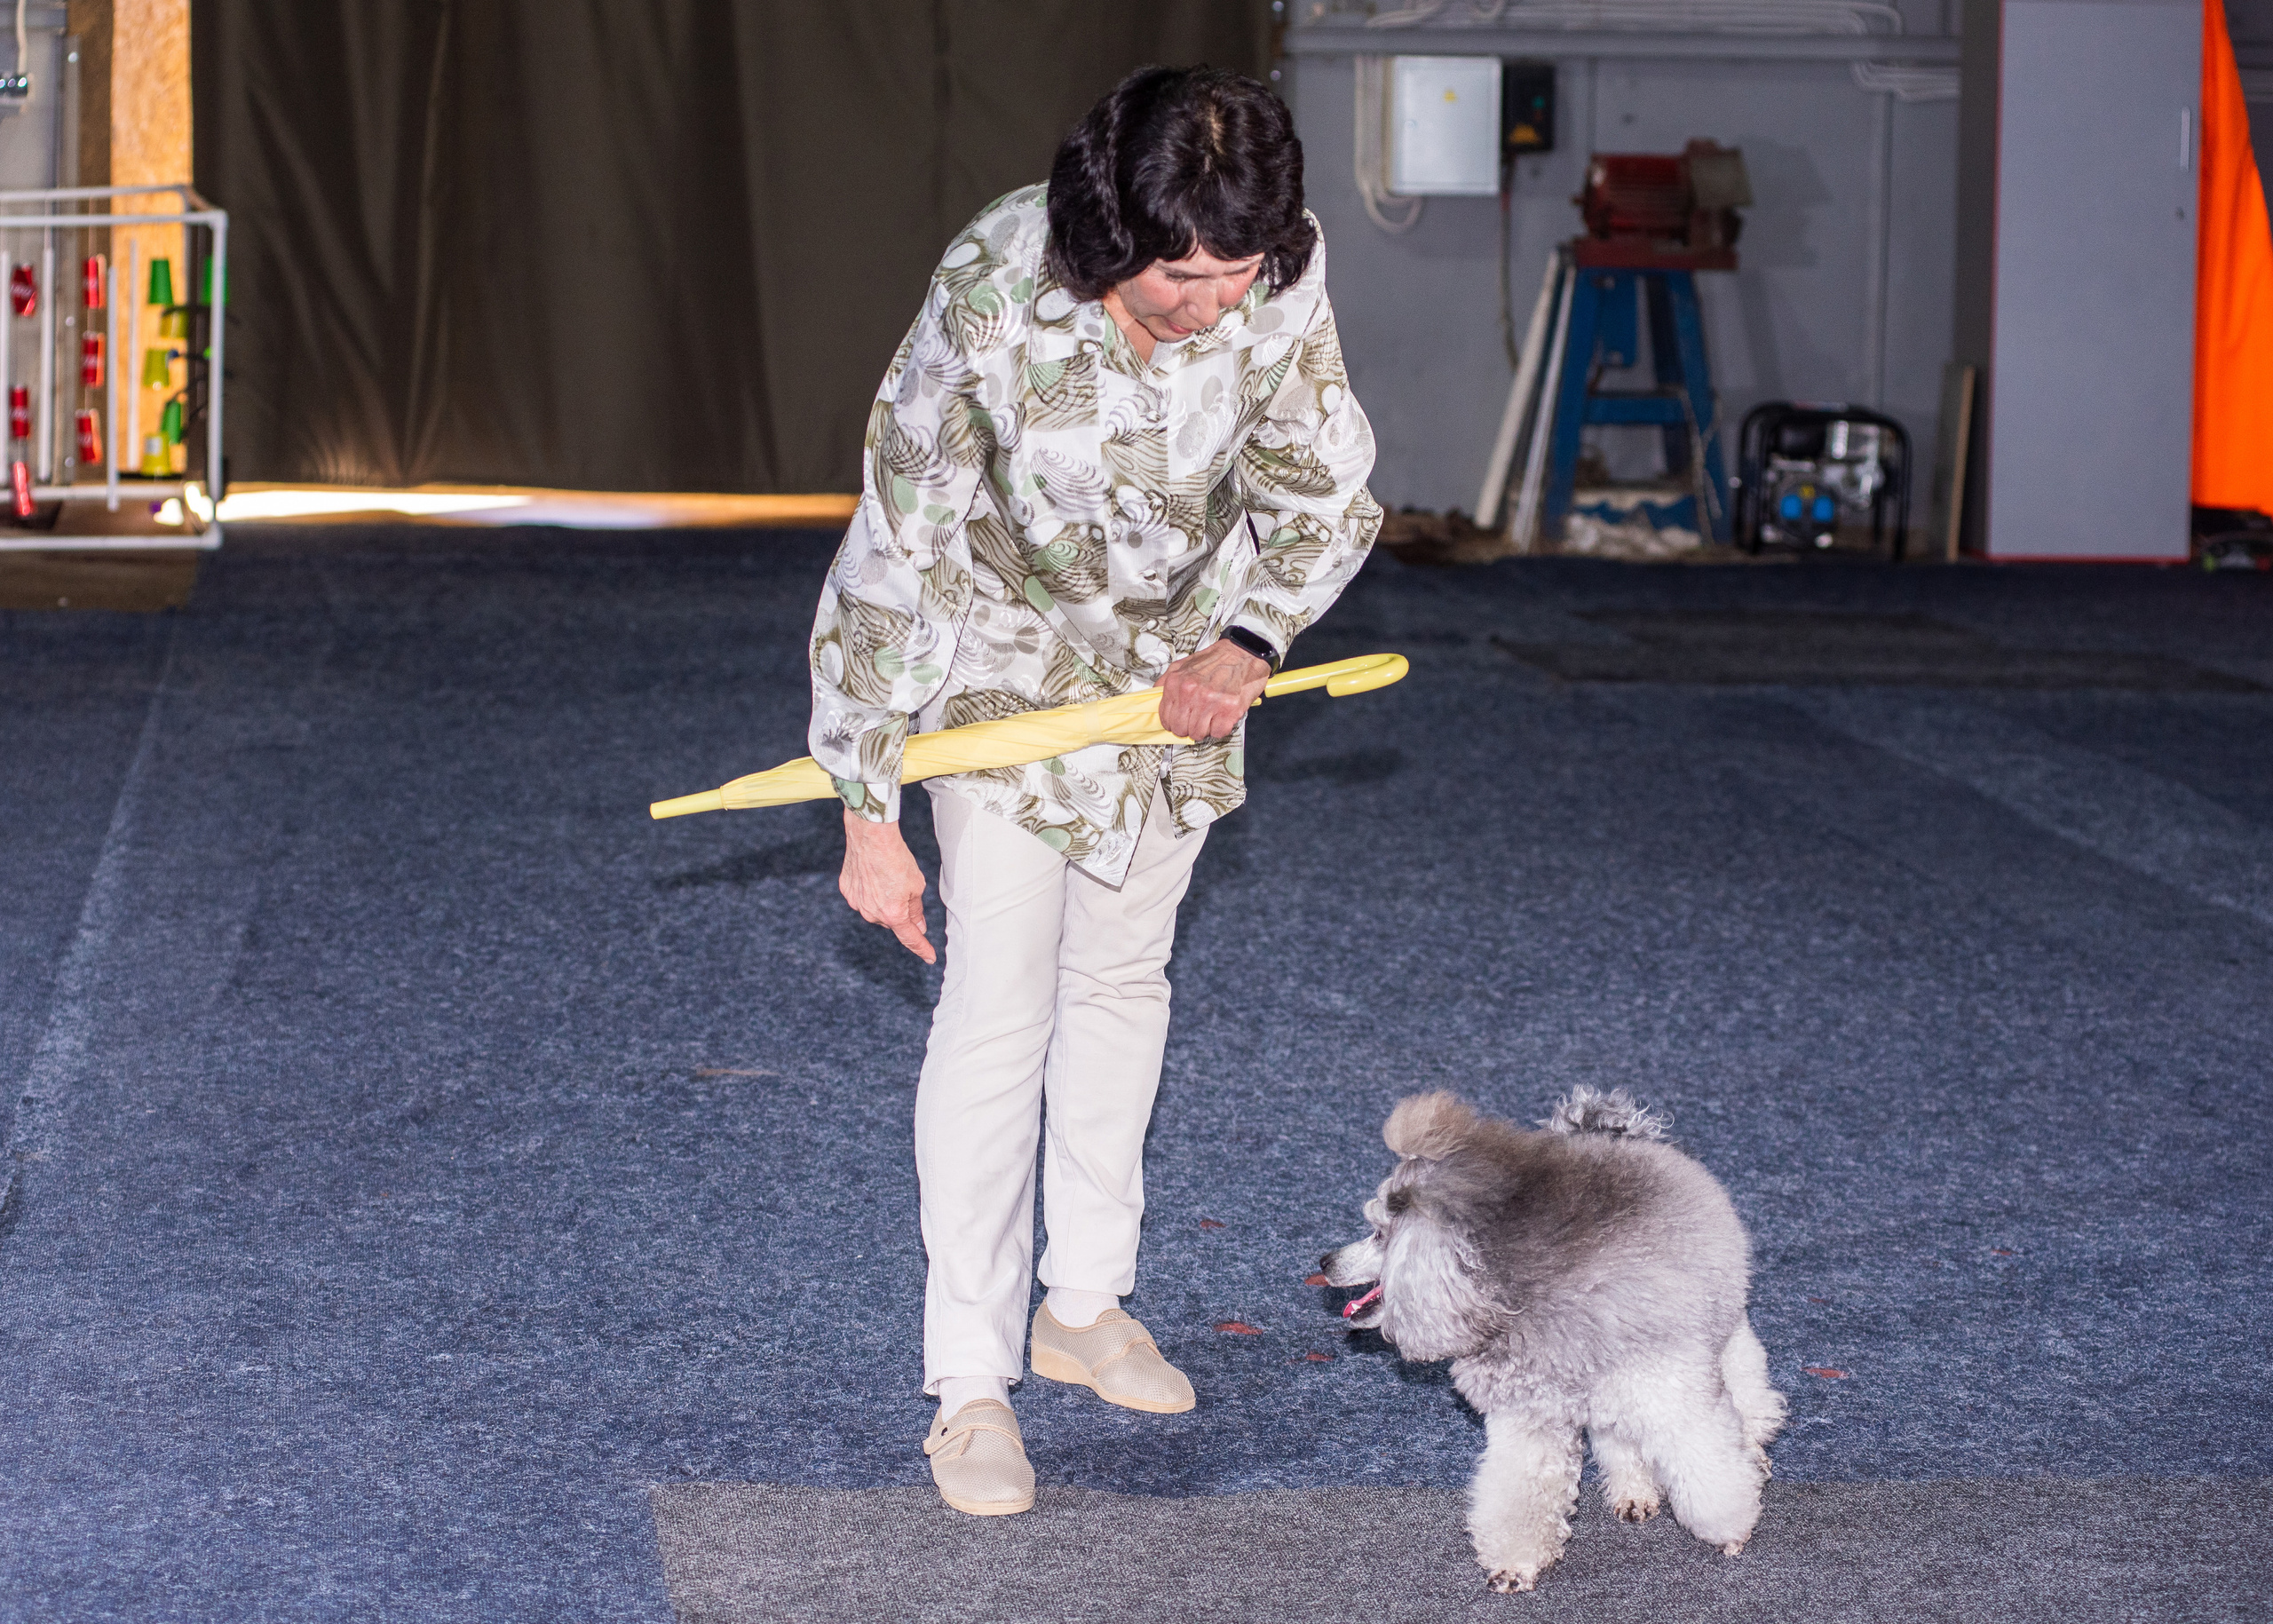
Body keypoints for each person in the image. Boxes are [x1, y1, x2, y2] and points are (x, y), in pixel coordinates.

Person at [807, 64, 1380, 1517]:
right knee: (1000, 1001)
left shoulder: (1274, 273)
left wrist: (1250, 641)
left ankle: (1084, 1304)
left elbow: (1325, 483)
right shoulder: (996, 287)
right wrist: (866, 797)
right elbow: (903, 529)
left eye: (1236, 275)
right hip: (1002, 665)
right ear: (1111, 233)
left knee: (1122, 977)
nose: (1212, 305)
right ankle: (969, 1380)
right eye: (1182, 277)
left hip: (1174, 674)